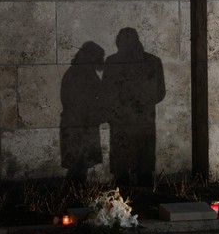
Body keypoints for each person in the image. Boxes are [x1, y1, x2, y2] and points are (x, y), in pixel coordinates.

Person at [102, 28, 166, 186]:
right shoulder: (113, 62)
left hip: (138, 121)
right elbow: (107, 92)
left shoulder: (151, 61)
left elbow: (160, 91)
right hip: (128, 121)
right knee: (127, 169)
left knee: (140, 166)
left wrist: (135, 104)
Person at [60, 41, 106, 182]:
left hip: (82, 124)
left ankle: (75, 196)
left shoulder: (81, 71)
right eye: (99, 57)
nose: (101, 61)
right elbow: (77, 101)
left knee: (80, 166)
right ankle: (74, 197)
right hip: (79, 125)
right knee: (78, 165)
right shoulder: (80, 73)